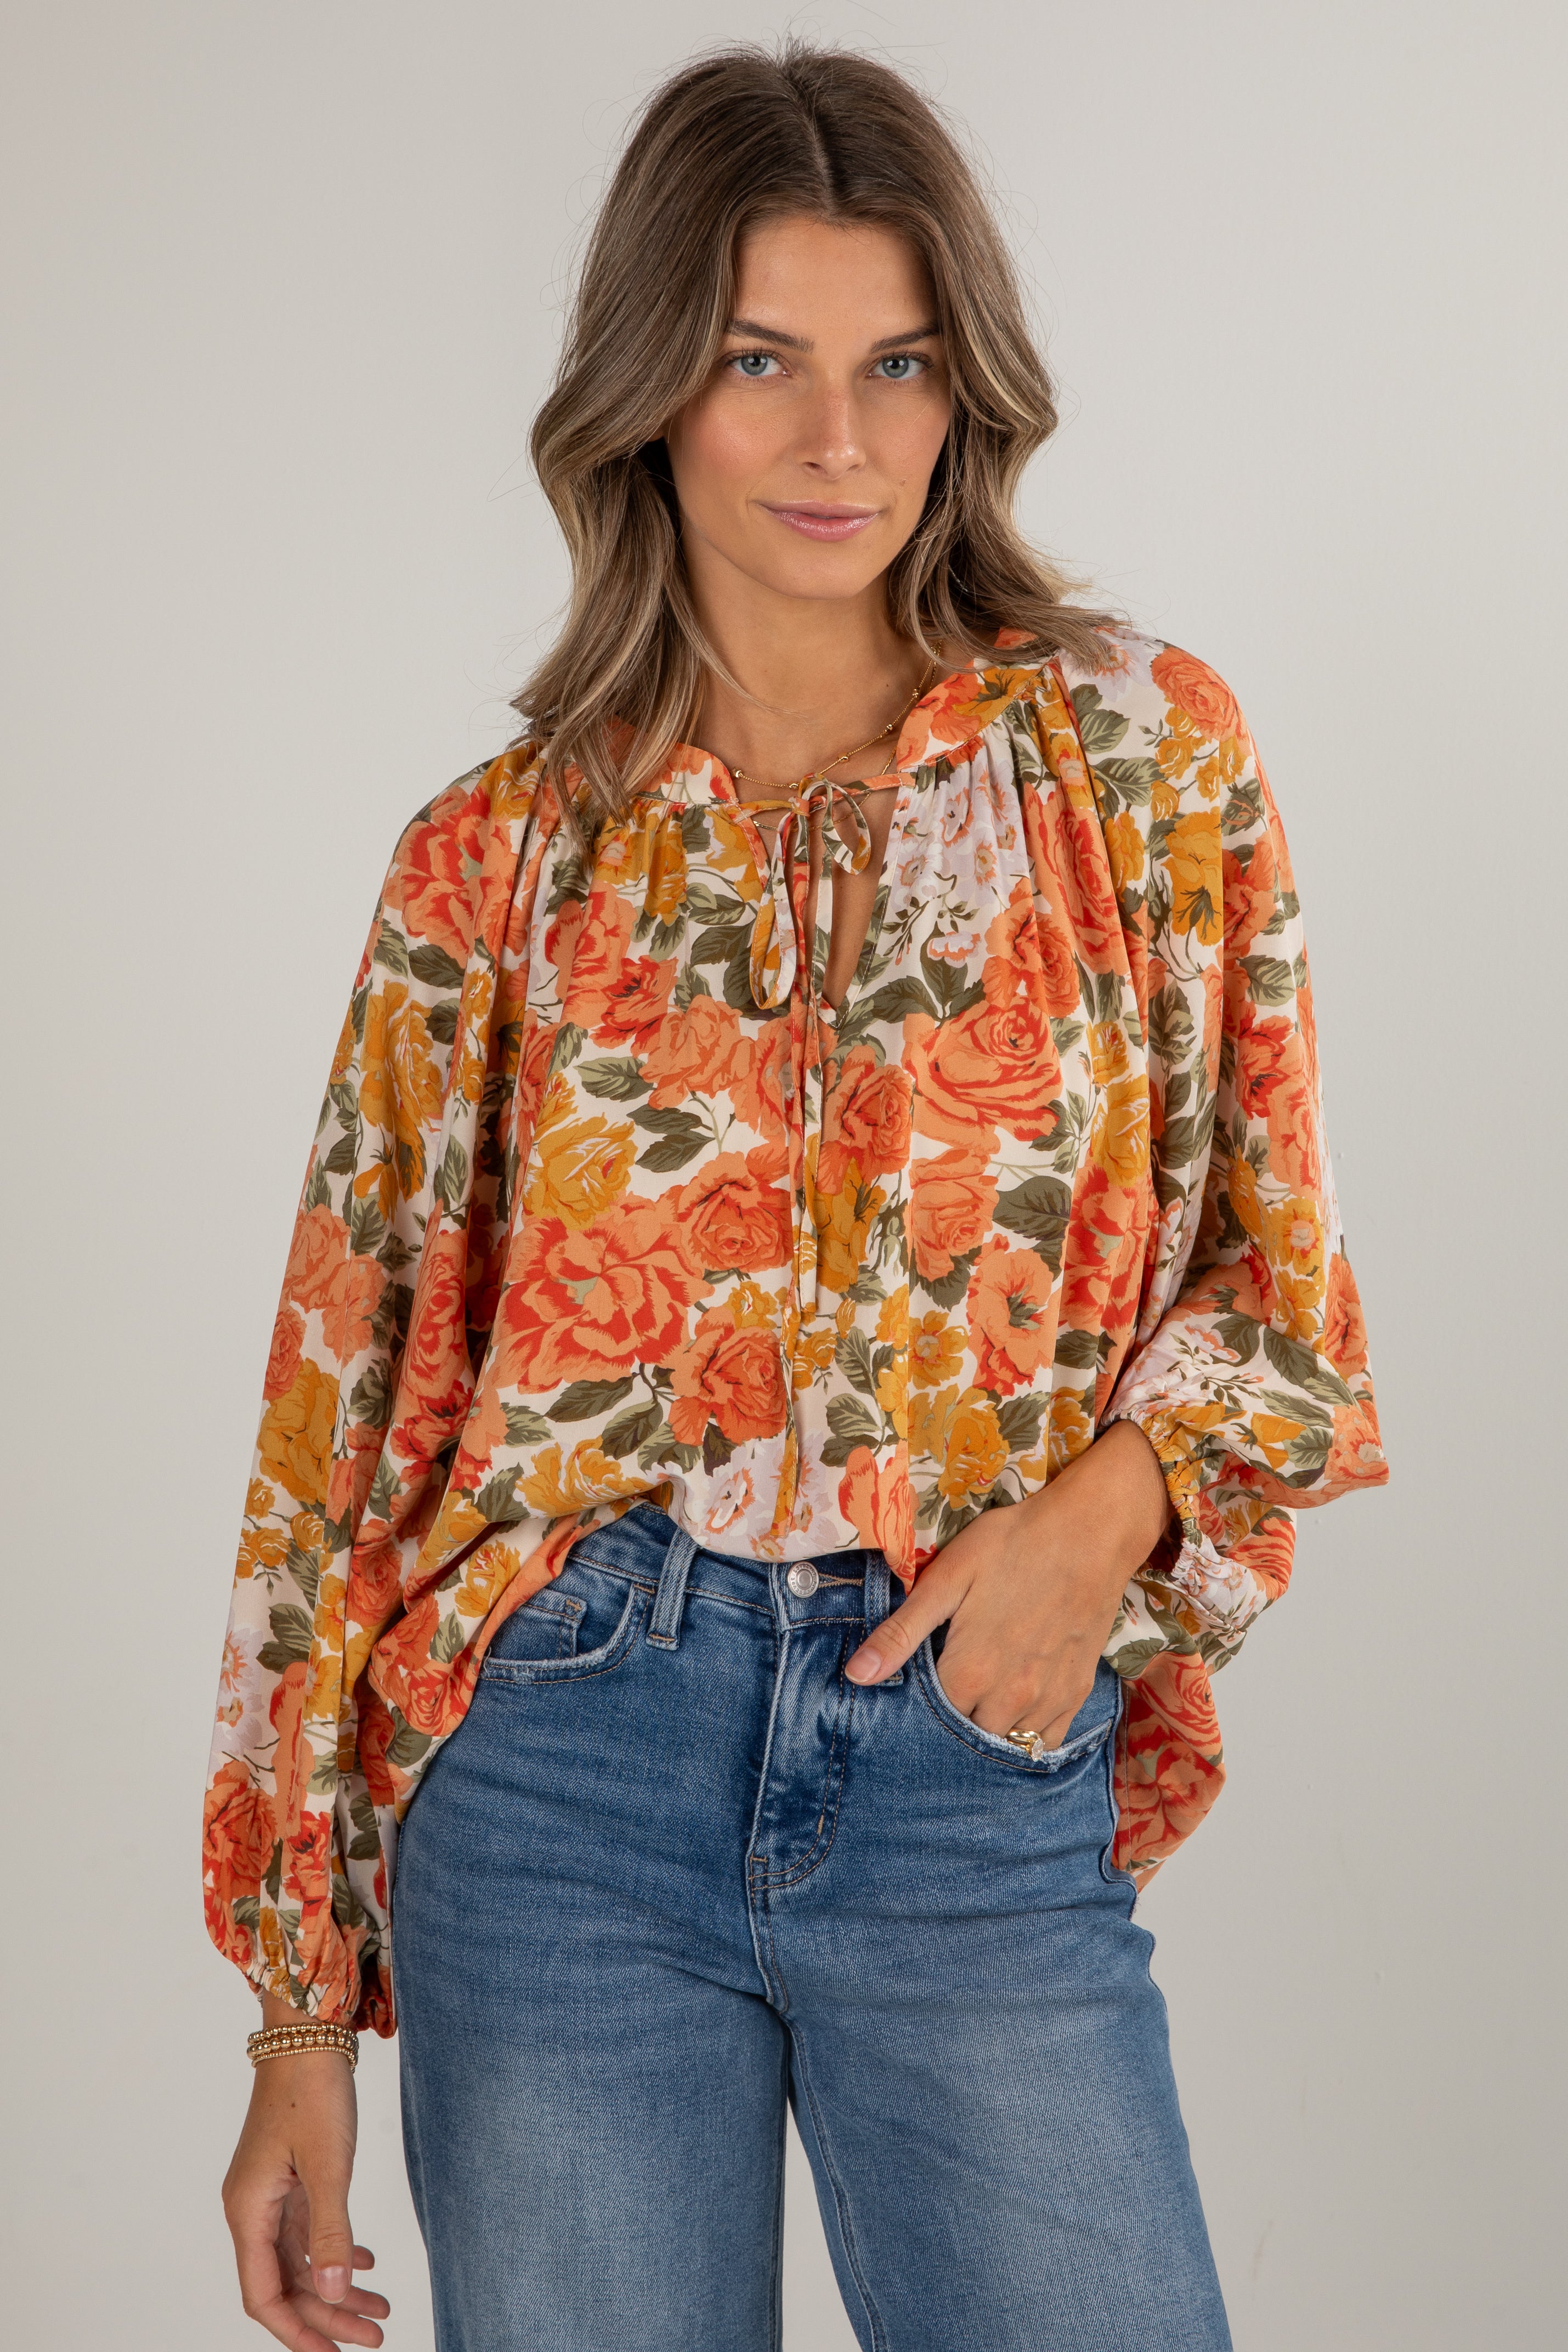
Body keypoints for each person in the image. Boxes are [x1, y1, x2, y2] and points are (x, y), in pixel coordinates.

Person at [208, 42, 1387, 2352]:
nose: (838, 438)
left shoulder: (1139, 763)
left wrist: (1093, 1522)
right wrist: (291, 2013)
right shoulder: (497, 854)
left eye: (896, 363)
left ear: (966, 394)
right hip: (552, 1759)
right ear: (653, 386)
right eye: (760, 361)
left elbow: (1286, 1289)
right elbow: (337, 1427)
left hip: (967, 1748)